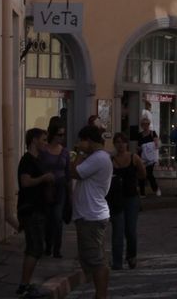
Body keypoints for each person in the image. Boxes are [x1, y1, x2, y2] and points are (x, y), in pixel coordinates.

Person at [69, 125, 112, 299]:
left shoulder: (98, 158)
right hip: (91, 214)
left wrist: (79, 153)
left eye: (81, 140)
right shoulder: (97, 157)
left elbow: (74, 172)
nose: (79, 143)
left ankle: (100, 295)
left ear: (89, 141)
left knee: (96, 261)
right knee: (94, 258)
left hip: (91, 216)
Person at [16, 127, 54, 299]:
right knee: (35, 248)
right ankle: (24, 286)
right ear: (34, 141)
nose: (46, 143)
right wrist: (43, 178)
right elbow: (25, 182)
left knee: (34, 247)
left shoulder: (38, 159)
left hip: (38, 208)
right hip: (31, 209)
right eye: (43, 140)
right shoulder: (27, 160)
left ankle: (25, 284)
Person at [108, 133, 144, 270]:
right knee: (117, 230)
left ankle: (131, 256)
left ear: (126, 144)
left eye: (122, 142)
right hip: (116, 199)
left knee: (130, 230)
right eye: (117, 142)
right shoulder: (111, 160)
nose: (120, 144)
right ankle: (117, 262)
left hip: (131, 197)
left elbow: (142, 173)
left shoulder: (134, 158)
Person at [39, 118, 70, 259]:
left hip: (61, 187)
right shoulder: (44, 151)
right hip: (46, 187)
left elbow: (68, 172)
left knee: (57, 217)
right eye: (59, 135)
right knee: (47, 217)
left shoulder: (64, 152)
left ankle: (57, 249)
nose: (62, 138)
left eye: (63, 135)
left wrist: (70, 192)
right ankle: (48, 244)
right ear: (52, 134)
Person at [136, 116, 161, 197]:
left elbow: (157, 144)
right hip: (142, 157)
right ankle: (142, 193)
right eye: (143, 124)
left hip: (150, 158)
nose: (145, 126)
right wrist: (140, 148)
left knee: (149, 174)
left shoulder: (152, 133)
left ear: (149, 124)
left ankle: (156, 189)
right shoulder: (139, 135)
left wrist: (156, 143)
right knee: (141, 174)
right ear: (141, 125)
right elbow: (138, 146)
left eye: (146, 124)